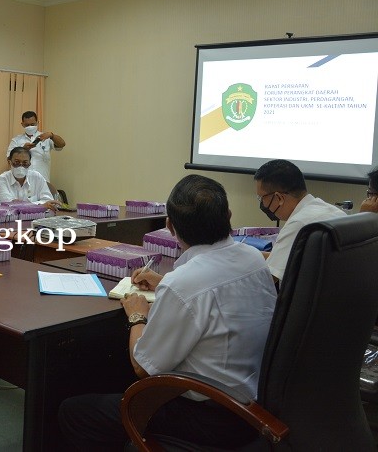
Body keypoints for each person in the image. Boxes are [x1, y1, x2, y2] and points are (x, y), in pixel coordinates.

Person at [58, 174, 276, 451]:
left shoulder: (184, 283)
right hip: (254, 406)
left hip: (210, 417)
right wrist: (164, 284)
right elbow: (215, 290)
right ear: (229, 216)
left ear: (170, 226)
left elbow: (143, 367)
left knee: (75, 412)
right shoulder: (253, 259)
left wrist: (138, 315)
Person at [254, 159, 346, 282]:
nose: (262, 204)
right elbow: (287, 259)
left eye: (261, 198)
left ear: (279, 197)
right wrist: (252, 255)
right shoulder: (333, 211)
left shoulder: (299, 224)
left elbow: (268, 280)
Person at [6, 110, 65, 181]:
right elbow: (9, 159)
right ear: (22, 124)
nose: (30, 127)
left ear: (37, 122)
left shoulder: (45, 137)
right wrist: (23, 149)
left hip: (43, 180)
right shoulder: (16, 140)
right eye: (27, 125)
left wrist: (52, 135)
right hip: (22, 181)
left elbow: (62, 144)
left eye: (32, 124)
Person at [0, 147, 60, 212]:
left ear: (29, 164)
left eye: (25, 163)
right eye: (17, 162)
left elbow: (48, 201)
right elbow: (11, 205)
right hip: (7, 219)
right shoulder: (1, 179)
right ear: (9, 163)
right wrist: (40, 205)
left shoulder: (37, 177)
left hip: (34, 218)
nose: (21, 166)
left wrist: (28, 205)